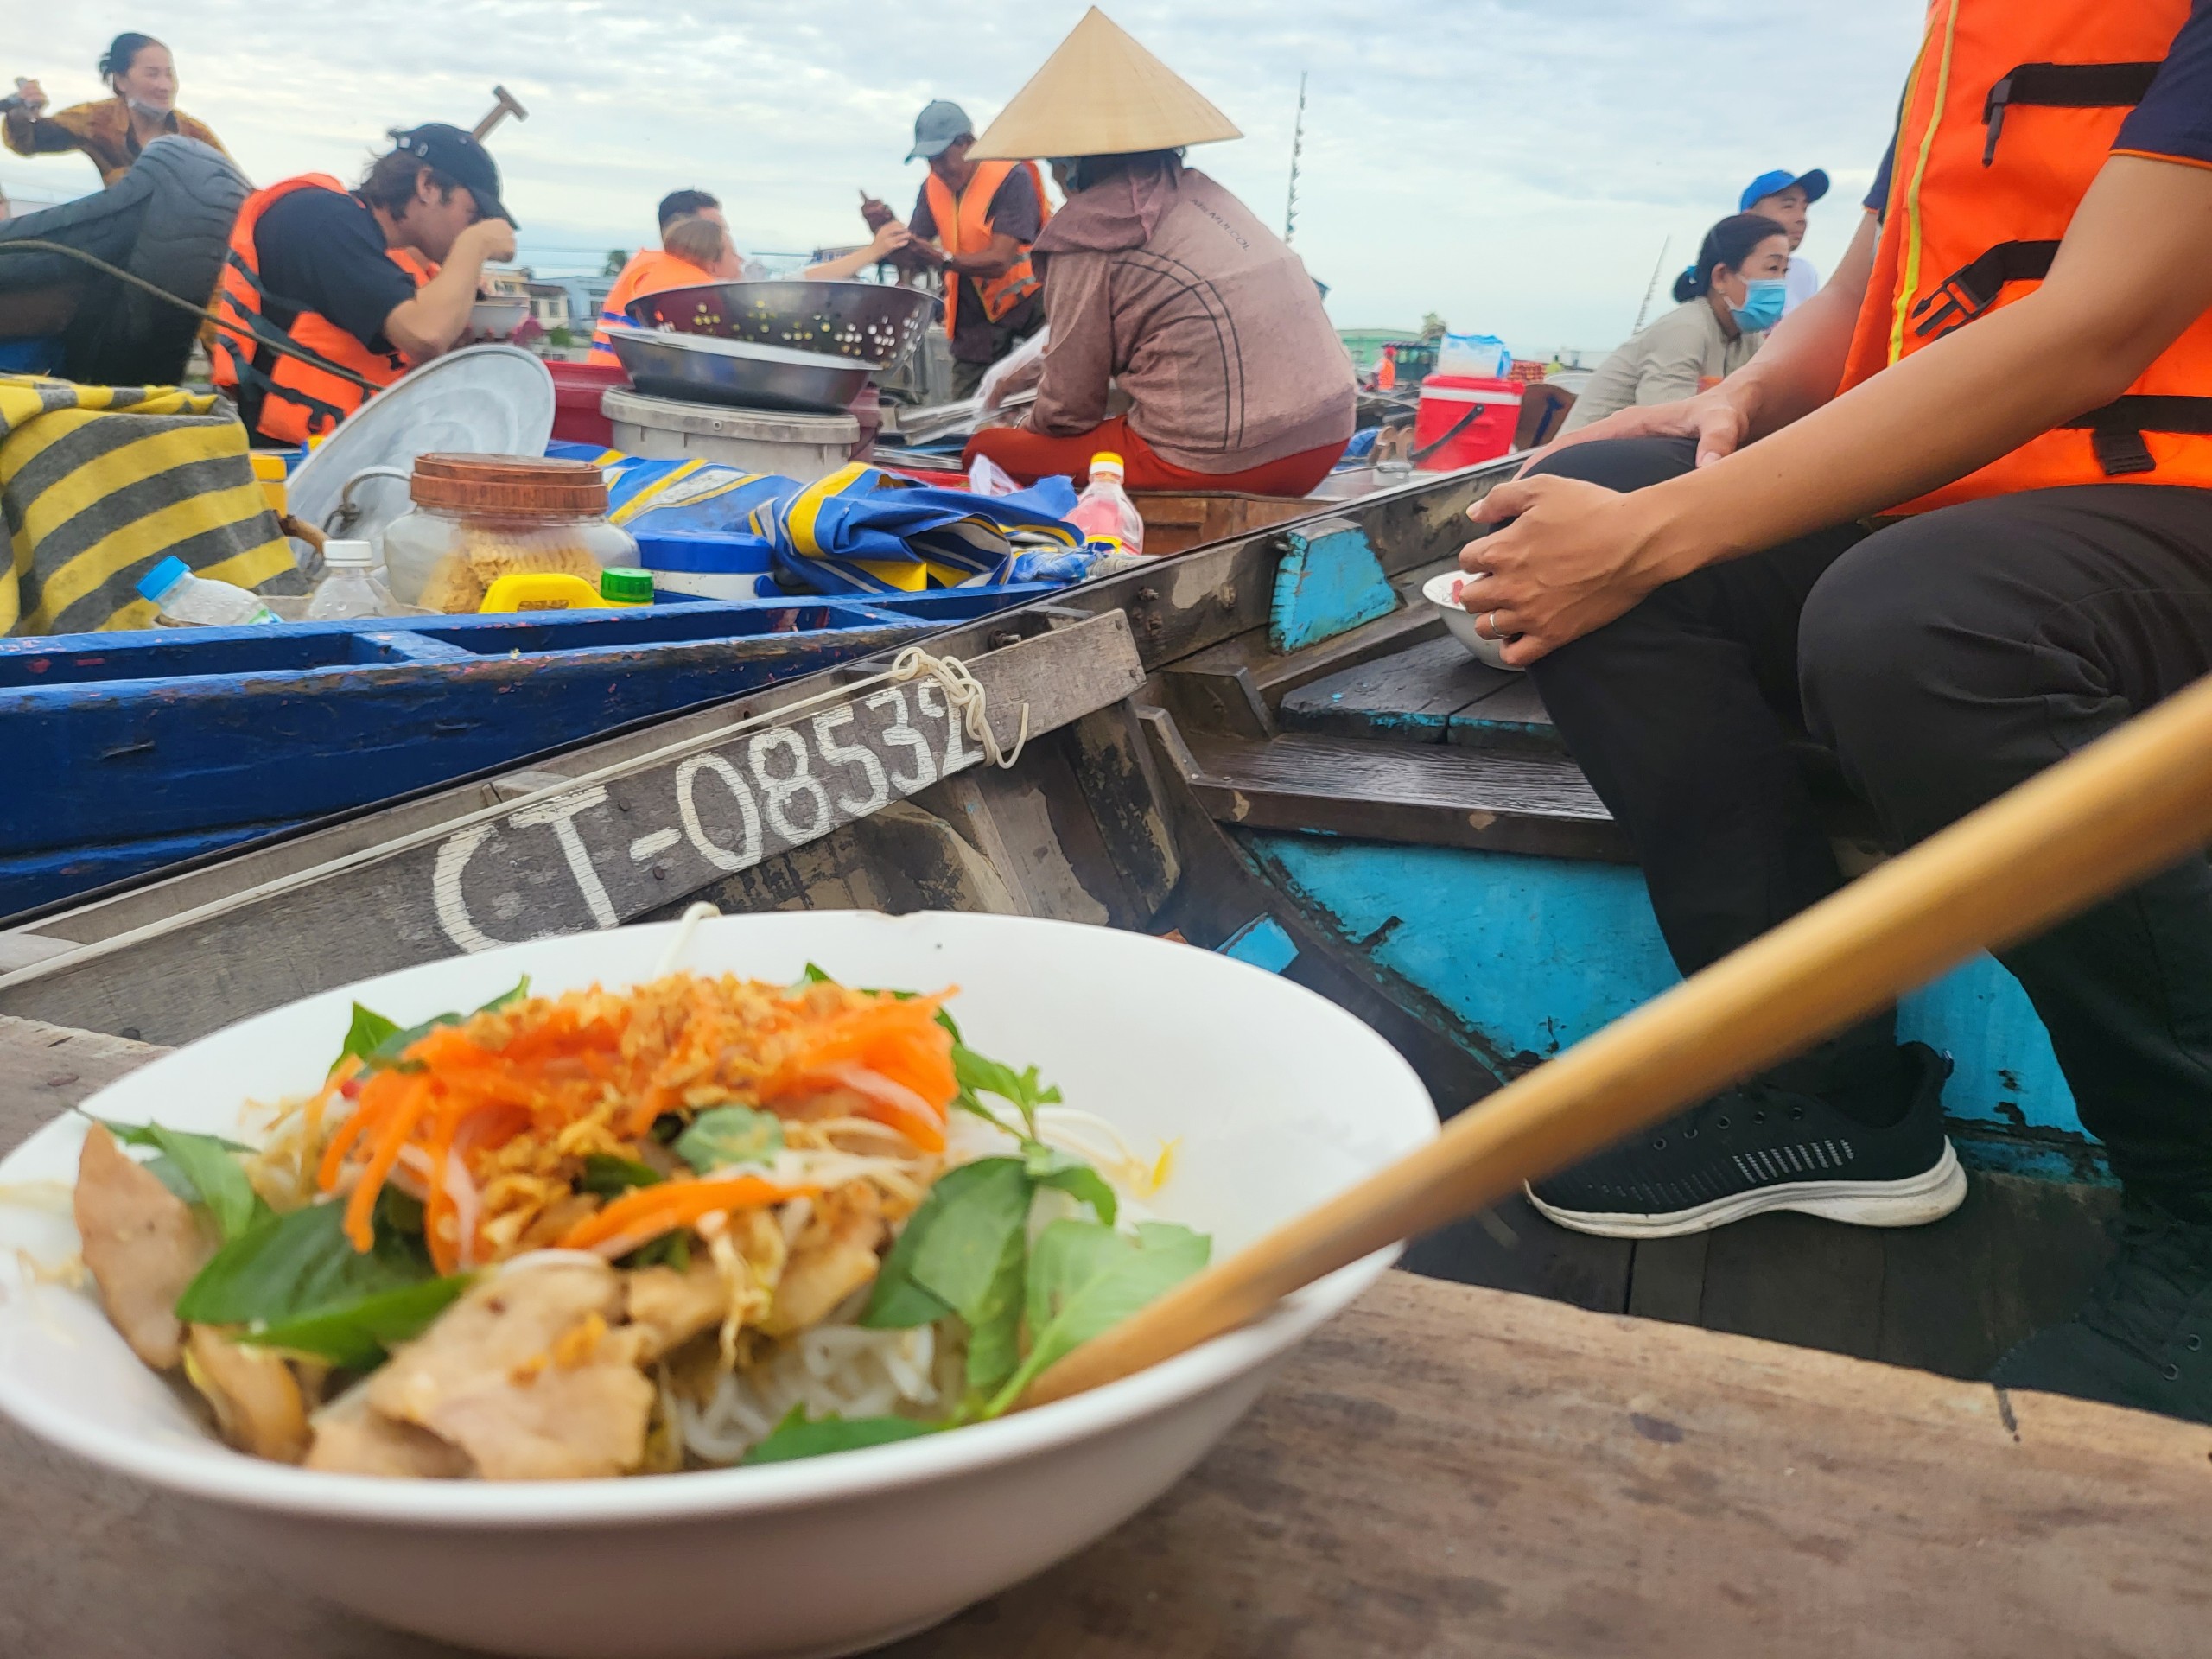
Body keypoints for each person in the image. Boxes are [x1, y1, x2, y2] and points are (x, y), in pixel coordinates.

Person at [1450, 0, 2212, 1424]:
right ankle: (1823, 1086)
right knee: (1588, 521)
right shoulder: (1974, 30)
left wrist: (1670, 528)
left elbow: (2103, 325)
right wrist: (1708, 422)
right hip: (1988, 519)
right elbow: (1865, 313)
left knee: (1918, 623)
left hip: (2176, 510)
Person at [960, 10, 1356, 497]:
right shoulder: (1202, 194)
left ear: (1073, 165)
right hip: (1331, 433)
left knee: (986, 448)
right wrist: (1032, 374)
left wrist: (1022, 424)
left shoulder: (1085, 234)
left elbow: (1067, 412)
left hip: (1227, 460)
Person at [209, 124, 517, 446]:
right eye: (472, 215)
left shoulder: (375, 251)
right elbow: (426, 334)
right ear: (427, 185)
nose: (475, 227)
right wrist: (475, 244)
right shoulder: (324, 221)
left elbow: (411, 350)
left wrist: (457, 348)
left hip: (337, 455)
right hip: (285, 467)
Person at [589, 186, 912, 361]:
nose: (731, 246)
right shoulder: (675, 283)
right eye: (715, 231)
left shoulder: (666, 270)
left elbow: (789, 285)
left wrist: (873, 252)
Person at [1558, 214, 1790, 435]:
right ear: (1721, 276)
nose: (1780, 282)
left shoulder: (1749, 339)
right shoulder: (1685, 330)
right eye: (1772, 268)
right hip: (1582, 466)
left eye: (1784, 271)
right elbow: (1669, 432)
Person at [902, 99, 1052, 400]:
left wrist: (942, 259)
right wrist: (883, 229)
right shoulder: (931, 188)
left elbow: (1000, 260)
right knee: (965, 415)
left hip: (1029, 304)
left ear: (968, 143)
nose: (938, 169)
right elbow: (912, 254)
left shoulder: (1011, 176)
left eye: (943, 158)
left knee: (1043, 399)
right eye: (930, 160)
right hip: (974, 315)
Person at [3, 34, 226, 188]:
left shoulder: (195, 134)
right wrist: (19, 110)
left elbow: (239, 189)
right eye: (152, 74)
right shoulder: (95, 120)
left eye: (169, 74)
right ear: (120, 81)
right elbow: (28, 142)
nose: (165, 85)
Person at [1740, 168, 1829, 315]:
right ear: (1748, 218)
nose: (1802, 218)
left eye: (1804, 209)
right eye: (1788, 206)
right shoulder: (1728, 276)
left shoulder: (1803, 273)